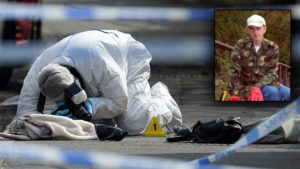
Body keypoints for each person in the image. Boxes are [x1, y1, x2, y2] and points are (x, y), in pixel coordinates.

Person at [10, 29, 182, 135]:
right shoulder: (39, 71)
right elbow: (24, 113)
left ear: (74, 81)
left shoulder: (101, 64)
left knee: (132, 123)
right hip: (93, 61)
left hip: (128, 56)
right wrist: (36, 123)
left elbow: (119, 102)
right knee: (96, 123)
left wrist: (90, 106)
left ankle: (162, 98)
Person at [228, 14, 290, 101]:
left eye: (258, 28)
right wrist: (235, 93)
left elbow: (272, 72)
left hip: (267, 83)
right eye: (251, 28)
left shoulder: (272, 47)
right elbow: (234, 70)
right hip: (247, 86)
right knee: (272, 92)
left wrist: (257, 87)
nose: (255, 32)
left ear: (264, 29)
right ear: (248, 30)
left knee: (288, 93)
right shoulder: (241, 45)